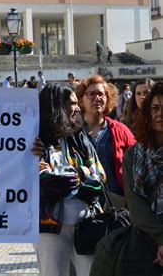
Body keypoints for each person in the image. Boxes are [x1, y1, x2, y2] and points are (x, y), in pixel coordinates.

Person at [91, 82, 163, 275]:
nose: (160, 113)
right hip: (143, 239)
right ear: (147, 113)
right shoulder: (134, 155)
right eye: (155, 108)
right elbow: (135, 202)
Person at [34, 83, 104, 276]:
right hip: (48, 226)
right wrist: (81, 173)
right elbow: (45, 182)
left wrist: (78, 173)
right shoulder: (35, 140)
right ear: (56, 107)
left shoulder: (80, 137)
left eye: (76, 103)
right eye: (71, 104)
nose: (77, 108)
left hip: (86, 223)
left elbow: (99, 176)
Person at [75, 75, 135, 204]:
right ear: (81, 99)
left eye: (101, 94)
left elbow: (138, 160)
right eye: (91, 94)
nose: (97, 98)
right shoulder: (73, 133)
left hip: (115, 203)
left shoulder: (120, 129)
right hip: (82, 203)